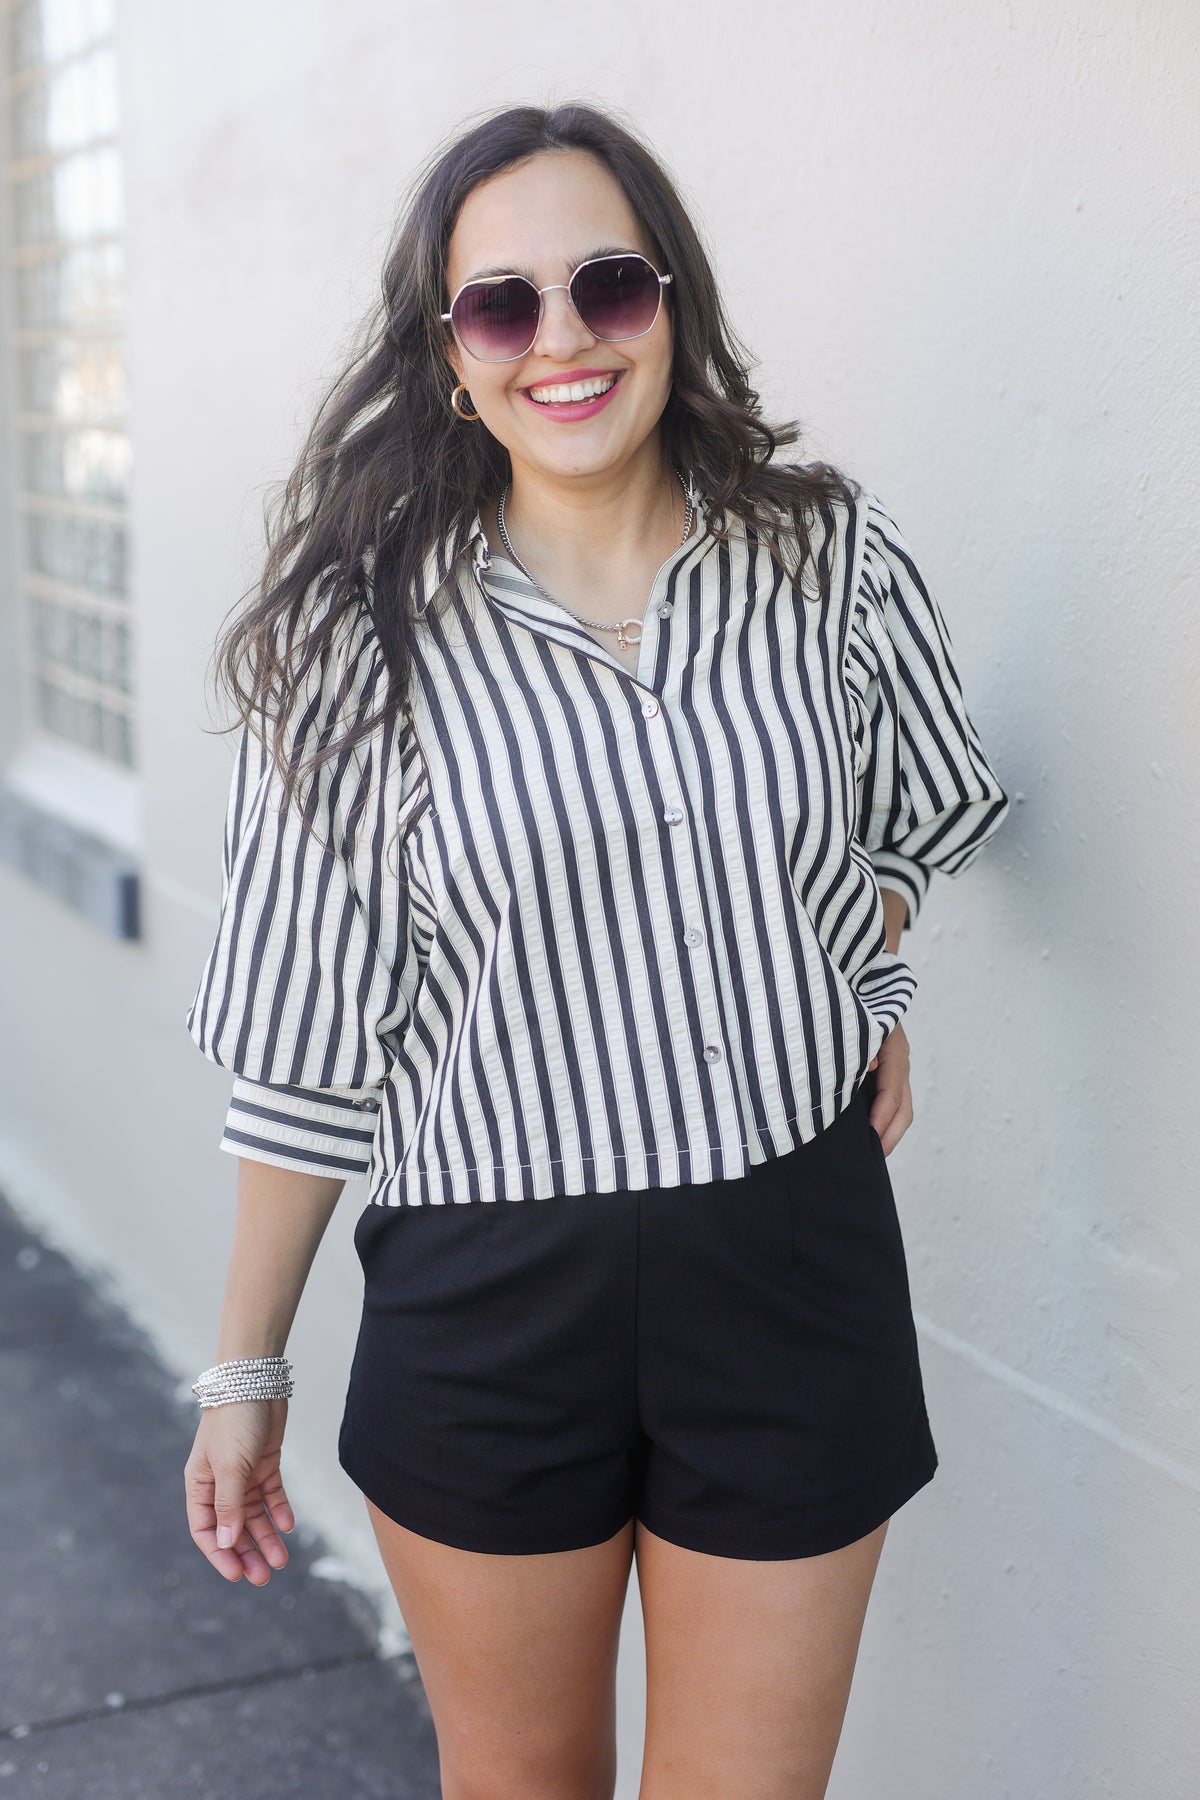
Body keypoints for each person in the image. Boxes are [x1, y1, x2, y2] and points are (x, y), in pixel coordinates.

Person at [182, 100, 1010, 1800]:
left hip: (790, 1255)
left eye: (606, 285)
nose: (561, 339)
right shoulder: (364, 642)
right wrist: (244, 1369)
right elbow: (308, 1041)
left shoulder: (822, 553)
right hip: (492, 1299)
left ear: (671, 304)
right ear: (451, 351)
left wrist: (863, 969)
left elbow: (920, 805)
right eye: (504, 305)